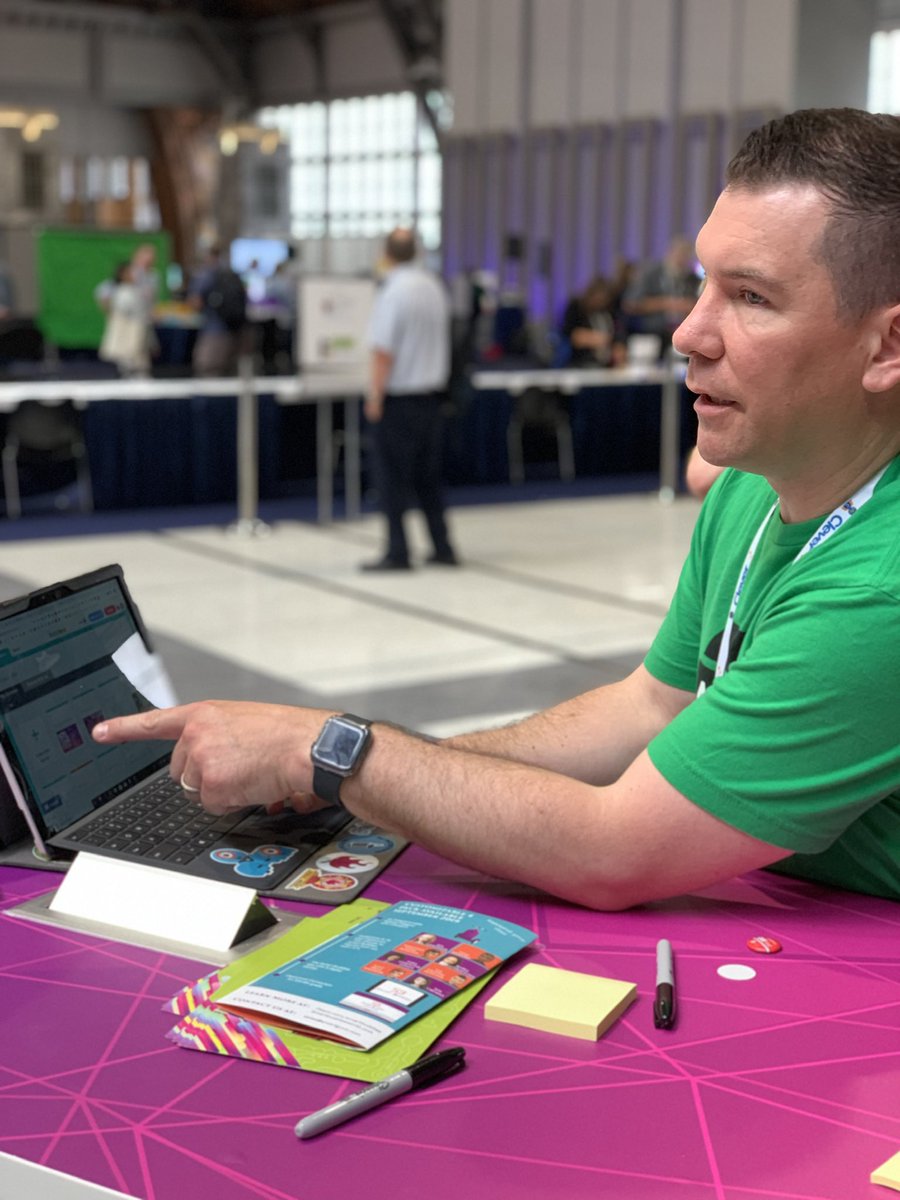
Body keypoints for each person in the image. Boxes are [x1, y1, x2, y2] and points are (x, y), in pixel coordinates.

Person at [92, 109, 900, 910]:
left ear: (887, 348)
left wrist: (331, 753)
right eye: (703, 284)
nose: (690, 332)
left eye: (752, 297)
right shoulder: (752, 488)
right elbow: (651, 705)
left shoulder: (879, 591)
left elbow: (614, 848)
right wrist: (394, 776)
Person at [361, 227, 459, 571]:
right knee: (428, 478)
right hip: (432, 397)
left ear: (386, 253)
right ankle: (442, 545)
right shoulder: (434, 286)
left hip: (401, 399)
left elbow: (383, 350)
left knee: (392, 479)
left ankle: (397, 551)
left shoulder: (393, 291)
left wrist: (374, 395)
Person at [622, 234, 702, 355]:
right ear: (670, 253)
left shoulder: (692, 279)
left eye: (685, 256)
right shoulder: (651, 274)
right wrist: (668, 304)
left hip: (683, 334)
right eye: (679, 254)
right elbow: (631, 303)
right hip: (652, 335)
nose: (681, 260)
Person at [188, 244, 249, 377]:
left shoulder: (205, 275)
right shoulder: (231, 273)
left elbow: (195, 302)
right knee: (229, 374)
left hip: (213, 331)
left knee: (206, 369)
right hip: (235, 330)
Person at [97, 260, 153, 377]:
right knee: (128, 361)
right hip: (127, 332)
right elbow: (103, 296)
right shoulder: (122, 292)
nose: (135, 275)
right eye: (131, 272)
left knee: (139, 360)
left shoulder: (134, 290)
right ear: (123, 274)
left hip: (138, 332)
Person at [559, 276, 626, 367]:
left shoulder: (609, 312)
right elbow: (570, 335)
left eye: (604, 299)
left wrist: (618, 347)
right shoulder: (576, 308)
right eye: (598, 297)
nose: (600, 301)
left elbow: (618, 335)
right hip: (582, 361)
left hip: (608, 363)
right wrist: (597, 339)